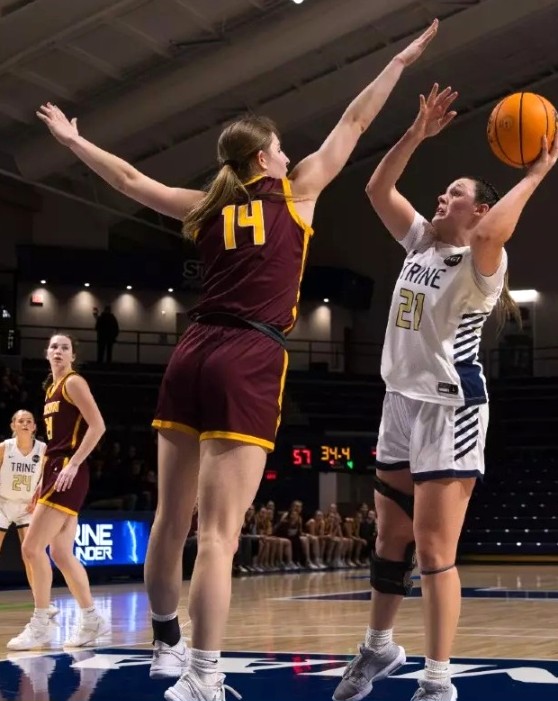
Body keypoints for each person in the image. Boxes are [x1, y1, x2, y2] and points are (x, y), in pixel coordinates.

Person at [36, 19, 442, 701]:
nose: (288, 155)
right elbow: (353, 120)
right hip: (248, 353)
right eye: (280, 149)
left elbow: (131, 180)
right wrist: (397, 62)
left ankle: (166, 645)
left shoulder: (204, 206)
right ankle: (203, 674)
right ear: (264, 161)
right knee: (220, 535)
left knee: (171, 519)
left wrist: (75, 141)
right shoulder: (299, 194)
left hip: (189, 352)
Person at [331, 85, 558, 701]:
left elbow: (492, 236)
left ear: (478, 211)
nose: (443, 197)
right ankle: (378, 648)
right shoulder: (420, 243)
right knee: (388, 541)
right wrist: (415, 132)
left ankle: (438, 681)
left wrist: (538, 170)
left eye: (455, 194)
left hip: (450, 407)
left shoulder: (481, 265)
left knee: (435, 549)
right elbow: (376, 190)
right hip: (398, 403)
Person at [8, 334, 109, 650]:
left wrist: (74, 465)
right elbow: (53, 443)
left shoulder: (74, 383)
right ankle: (92, 619)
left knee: (31, 548)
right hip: (54, 470)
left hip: (68, 470)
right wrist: (41, 481)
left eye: (65, 347)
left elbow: (98, 426)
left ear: (73, 356)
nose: (58, 351)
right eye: (54, 346)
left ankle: (41, 624)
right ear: (46, 353)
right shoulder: (50, 389)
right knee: (62, 553)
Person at [0, 410, 58, 620]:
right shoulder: (5, 448)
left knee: (32, 554)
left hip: (28, 506)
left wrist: (40, 492)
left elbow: (49, 475)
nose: (25, 424)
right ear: (13, 425)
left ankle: (42, 603)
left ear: (35, 427)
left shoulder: (43, 450)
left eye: (29, 421)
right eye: (20, 421)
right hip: (3, 503)